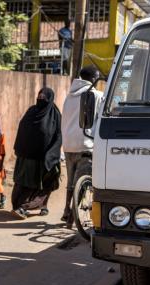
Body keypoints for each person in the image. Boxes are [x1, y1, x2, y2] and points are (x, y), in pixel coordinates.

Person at [11, 87, 63, 219]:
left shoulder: (55, 115)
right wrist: (20, 149)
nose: (40, 101)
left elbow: (59, 135)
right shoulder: (31, 111)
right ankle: (20, 206)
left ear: (50, 99)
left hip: (46, 157)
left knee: (48, 183)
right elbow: (22, 129)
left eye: (44, 99)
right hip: (27, 157)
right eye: (39, 98)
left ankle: (40, 206)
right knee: (25, 183)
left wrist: (52, 154)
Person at [61, 66, 102, 226]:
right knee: (83, 183)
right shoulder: (97, 95)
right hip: (86, 144)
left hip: (68, 145)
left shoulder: (69, 97)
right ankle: (72, 217)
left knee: (71, 183)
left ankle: (66, 211)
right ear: (92, 79)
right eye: (97, 78)